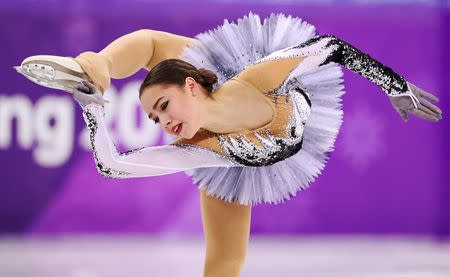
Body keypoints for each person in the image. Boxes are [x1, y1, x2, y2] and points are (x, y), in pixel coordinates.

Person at [15, 12, 442, 277]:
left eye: (164, 107)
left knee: (150, 44)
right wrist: (93, 107)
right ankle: (90, 69)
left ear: (190, 87)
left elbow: (329, 48)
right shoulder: (202, 150)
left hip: (242, 81)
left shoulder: (250, 77)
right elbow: (112, 166)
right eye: (155, 119)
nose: (164, 123)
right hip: (234, 161)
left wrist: (395, 85)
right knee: (223, 267)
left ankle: (97, 66)